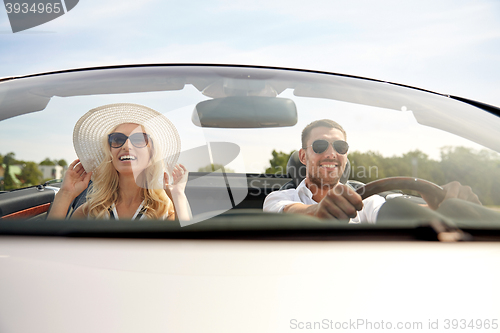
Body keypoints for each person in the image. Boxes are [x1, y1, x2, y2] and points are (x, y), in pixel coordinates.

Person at [263, 119, 481, 223]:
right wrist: (319, 211)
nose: (331, 154)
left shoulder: (365, 200)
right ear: (303, 156)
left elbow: (393, 215)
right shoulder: (279, 198)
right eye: (320, 146)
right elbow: (290, 212)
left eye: (340, 147)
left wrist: (440, 209)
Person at [48, 103, 191, 221]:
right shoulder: (91, 210)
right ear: (110, 153)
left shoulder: (165, 210)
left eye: (138, 140)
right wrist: (66, 193)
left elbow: (187, 250)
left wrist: (178, 195)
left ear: (150, 155)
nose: (126, 146)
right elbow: (51, 246)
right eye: (117, 139)